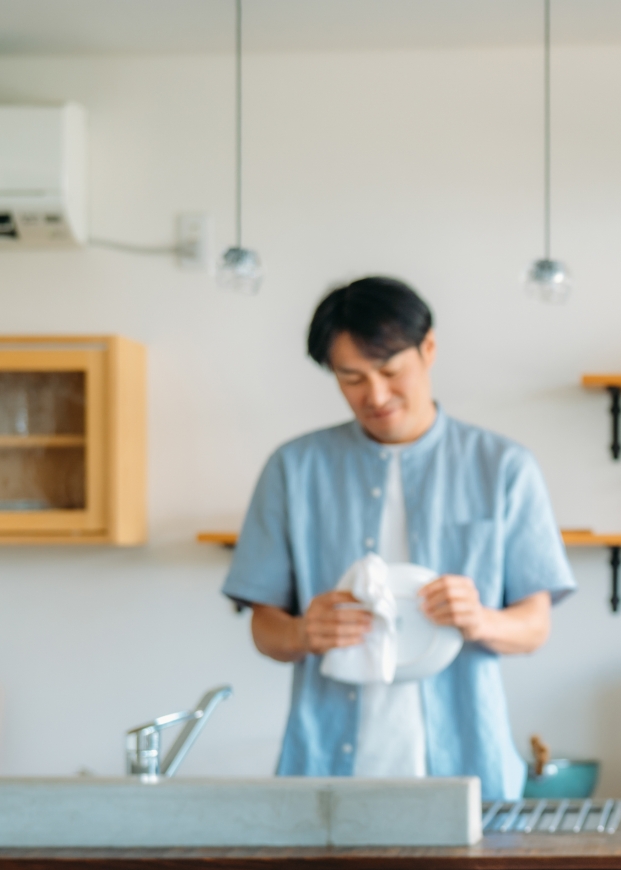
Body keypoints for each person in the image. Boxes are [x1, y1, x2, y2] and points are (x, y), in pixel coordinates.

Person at [222, 276, 576, 798]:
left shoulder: (503, 468)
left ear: (428, 348)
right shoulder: (293, 469)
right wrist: (301, 633)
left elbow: (534, 626)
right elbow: (264, 628)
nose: (376, 395)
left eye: (390, 371)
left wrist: (480, 619)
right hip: (325, 773)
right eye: (351, 378)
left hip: (470, 771)